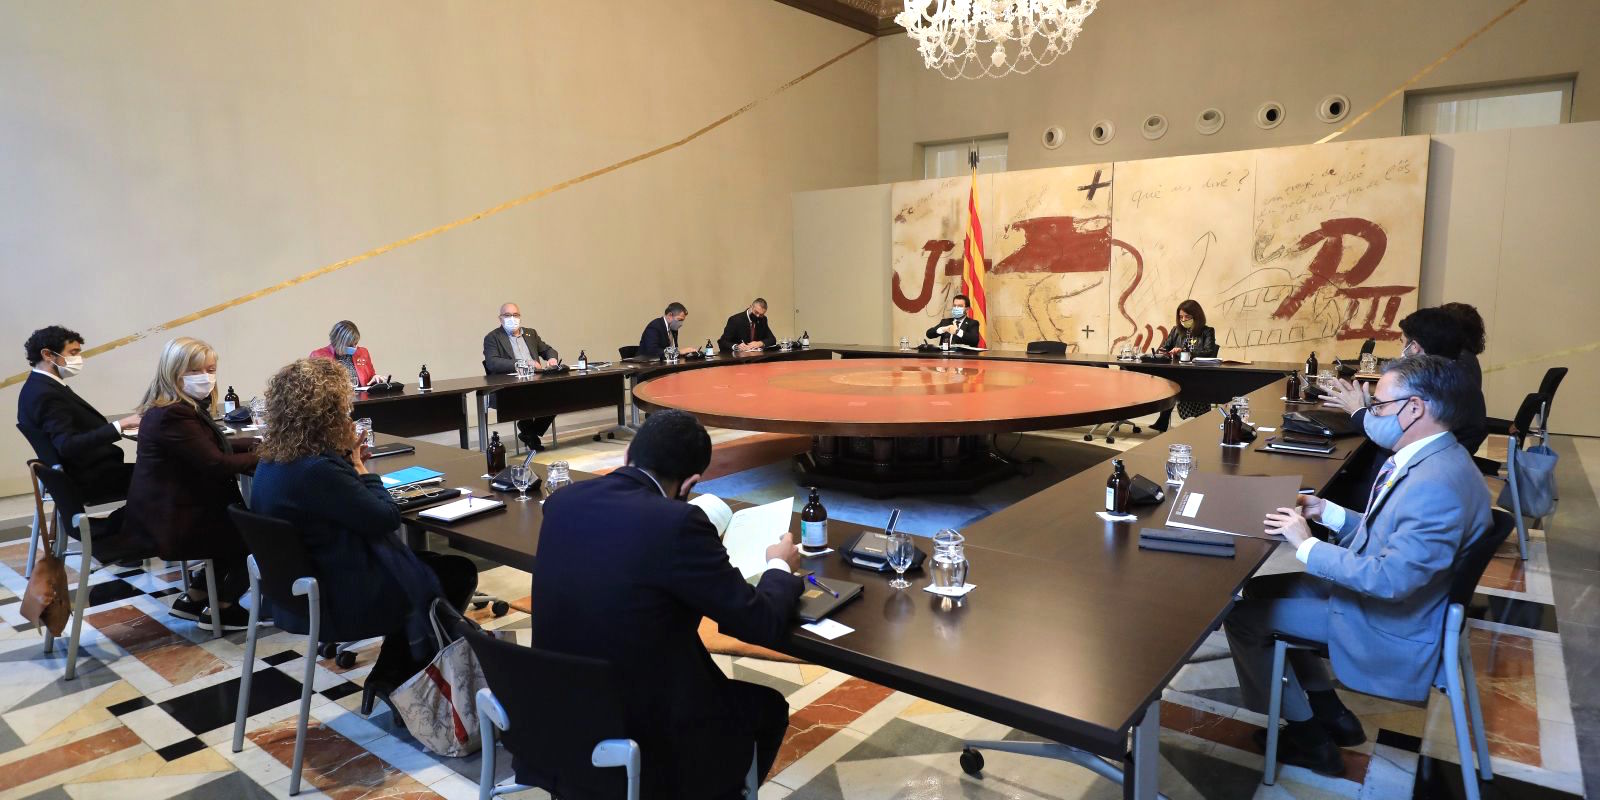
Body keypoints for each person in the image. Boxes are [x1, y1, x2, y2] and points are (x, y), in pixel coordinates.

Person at [1223, 355, 1491, 776]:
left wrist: (1307, 544)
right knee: (1260, 589)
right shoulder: (1440, 458)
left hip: (1393, 619)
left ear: (1415, 408)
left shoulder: (1435, 485)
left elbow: (1391, 580)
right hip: (1404, 599)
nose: (1372, 414)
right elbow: (1389, 536)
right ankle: (1331, 713)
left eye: (1379, 405)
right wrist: (1326, 511)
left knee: (1240, 618)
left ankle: (1309, 738)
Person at [531, 410, 803, 798]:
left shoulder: (562, 502)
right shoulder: (678, 523)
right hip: (642, 725)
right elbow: (760, 623)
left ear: (628, 455)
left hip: (557, 709)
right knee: (768, 708)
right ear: (690, 484)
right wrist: (779, 565)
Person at [249, 358, 478, 700]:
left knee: (430, 565)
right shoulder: (316, 470)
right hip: (340, 596)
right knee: (456, 572)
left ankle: (395, 674)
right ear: (326, 417)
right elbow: (385, 518)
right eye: (343, 410)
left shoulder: (274, 461)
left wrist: (346, 463)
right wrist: (359, 466)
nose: (349, 416)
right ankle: (394, 678)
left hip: (298, 591)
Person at [122, 338, 259, 631]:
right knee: (256, 535)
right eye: (195, 370)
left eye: (210, 369)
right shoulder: (175, 414)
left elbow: (208, 446)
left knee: (235, 525)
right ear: (174, 371)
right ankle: (223, 607)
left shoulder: (171, 408)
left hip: (168, 510)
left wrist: (254, 444)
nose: (205, 377)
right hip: (177, 519)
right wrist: (263, 457)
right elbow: (216, 463)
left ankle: (195, 597)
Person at [1323, 306, 1488, 456]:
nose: (1402, 350)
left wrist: (1357, 410)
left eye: (1403, 342)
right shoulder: (1454, 372)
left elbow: (1396, 440)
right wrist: (1375, 408)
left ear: (1414, 347)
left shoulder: (1434, 384)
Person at [16, 325, 141, 503]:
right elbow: (67, 445)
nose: (78, 359)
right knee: (170, 473)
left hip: (85, 473)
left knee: (163, 471)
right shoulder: (46, 393)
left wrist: (119, 427)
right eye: (73, 353)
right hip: (92, 480)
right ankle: (138, 519)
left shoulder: (39, 386)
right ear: (48, 354)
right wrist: (120, 425)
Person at [482, 302, 559, 451]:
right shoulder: (493, 337)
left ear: (520, 317)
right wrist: (524, 363)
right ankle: (529, 432)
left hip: (535, 380)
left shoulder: (531, 333)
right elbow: (493, 362)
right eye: (507, 315)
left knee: (558, 394)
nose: (512, 318)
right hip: (510, 385)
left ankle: (529, 432)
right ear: (500, 318)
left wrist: (552, 358)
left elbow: (548, 349)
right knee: (524, 396)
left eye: (515, 315)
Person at [1150, 300, 1220, 432]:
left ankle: (1198, 422)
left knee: (1178, 385)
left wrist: (1184, 352)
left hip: (1198, 374)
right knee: (1169, 384)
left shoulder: (1207, 331)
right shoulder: (1176, 330)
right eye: (1181, 317)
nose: (1183, 320)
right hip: (1179, 372)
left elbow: (1209, 352)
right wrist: (1165, 352)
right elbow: (1165, 348)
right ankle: (1163, 420)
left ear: (1197, 316)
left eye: (1187, 317)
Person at [309, 320, 379, 386]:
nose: (354, 347)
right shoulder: (318, 356)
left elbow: (371, 377)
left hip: (362, 395)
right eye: (350, 345)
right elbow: (314, 385)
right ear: (338, 342)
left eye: (355, 343)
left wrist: (375, 378)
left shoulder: (363, 352)